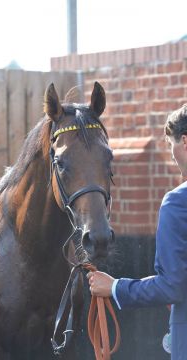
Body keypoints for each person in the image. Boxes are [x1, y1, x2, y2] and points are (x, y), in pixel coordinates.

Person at [87, 103, 187, 360]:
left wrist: (115, 287)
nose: (171, 154)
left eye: (170, 145)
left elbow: (171, 287)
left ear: (185, 142)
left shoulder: (177, 203)